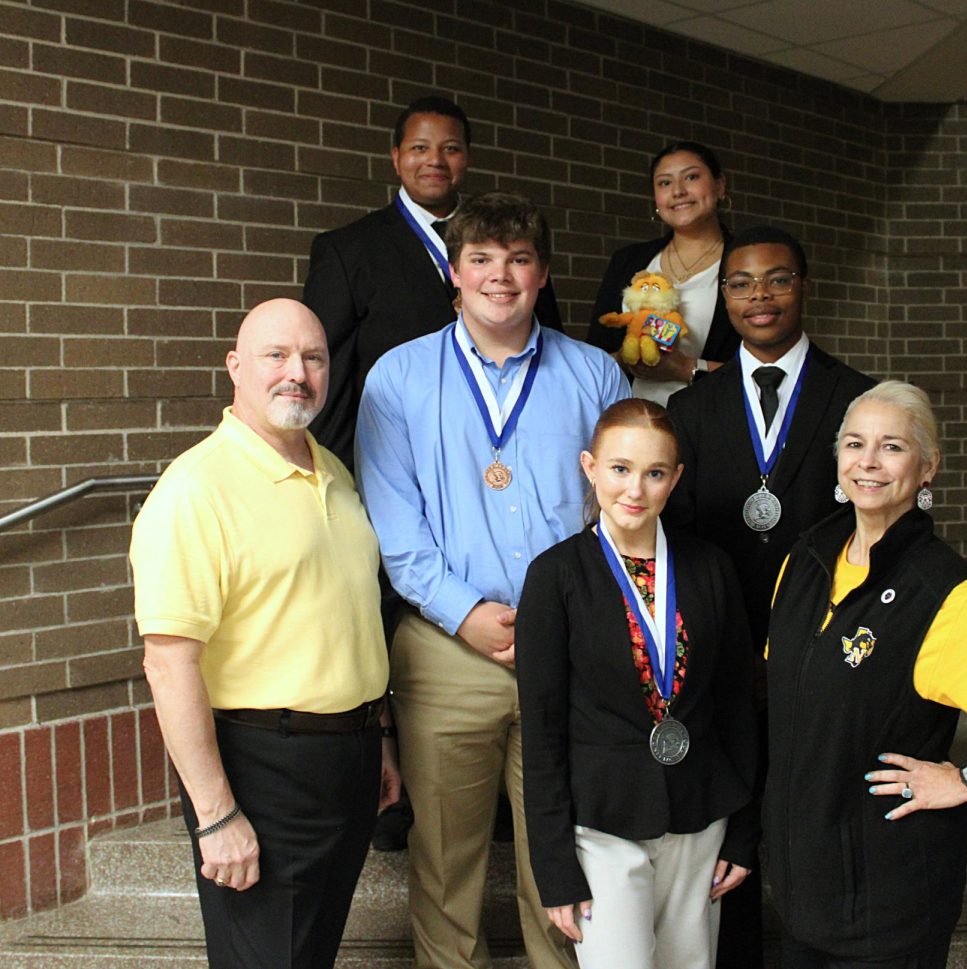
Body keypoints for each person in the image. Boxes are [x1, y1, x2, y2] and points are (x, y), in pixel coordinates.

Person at [354, 192, 628, 969]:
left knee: (562, 854)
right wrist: (465, 611)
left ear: (542, 274)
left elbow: (621, 507)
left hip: (569, 646)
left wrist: (572, 613)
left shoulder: (594, 374)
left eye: (517, 259)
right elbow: (395, 526)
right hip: (446, 651)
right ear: (454, 271)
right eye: (481, 259)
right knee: (446, 859)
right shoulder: (398, 377)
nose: (498, 276)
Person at [765, 381, 967, 969]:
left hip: (887, 901)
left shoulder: (945, 591)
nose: (868, 462)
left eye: (891, 447)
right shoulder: (805, 561)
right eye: (855, 444)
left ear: (927, 466)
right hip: (800, 890)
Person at [129, 299, 399, 969]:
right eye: (276, 355)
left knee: (308, 954)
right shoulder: (196, 488)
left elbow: (345, 618)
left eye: (314, 357)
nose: (297, 373)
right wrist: (216, 815)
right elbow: (168, 663)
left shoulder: (331, 471)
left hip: (349, 757)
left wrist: (378, 736)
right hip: (263, 767)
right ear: (235, 366)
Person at [665, 225, 874, 968]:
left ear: (804, 287)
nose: (760, 297)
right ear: (723, 296)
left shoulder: (856, 398)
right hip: (723, 654)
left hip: (822, 651)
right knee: (733, 830)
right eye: (742, 283)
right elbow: (678, 539)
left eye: (777, 280)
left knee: (821, 817)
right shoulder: (693, 409)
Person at [515, 399, 758, 969]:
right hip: (601, 823)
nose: (635, 489)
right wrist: (553, 869)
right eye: (620, 468)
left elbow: (736, 708)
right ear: (590, 467)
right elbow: (543, 732)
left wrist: (744, 830)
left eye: (654, 473)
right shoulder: (555, 576)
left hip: (700, 815)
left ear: (675, 480)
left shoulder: (710, 568)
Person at [302, 93, 563, 472]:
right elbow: (330, 373)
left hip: (516, 452)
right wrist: (341, 474)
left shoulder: (514, 237)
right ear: (396, 156)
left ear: (467, 157)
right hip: (403, 459)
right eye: (419, 147)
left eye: (451, 148)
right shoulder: (347, 250)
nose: (435, 161)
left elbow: (548, 342)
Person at [586, 141, 740, 404]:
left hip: (713, 424)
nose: (678, 191)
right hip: (633, 425)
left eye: (691, 177)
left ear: (720, 185)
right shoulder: (627, 261)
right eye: (665, 183)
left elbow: (767, 370)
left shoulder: (745, 262)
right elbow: (594, 356)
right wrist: (627, 357)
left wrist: (685, 368)